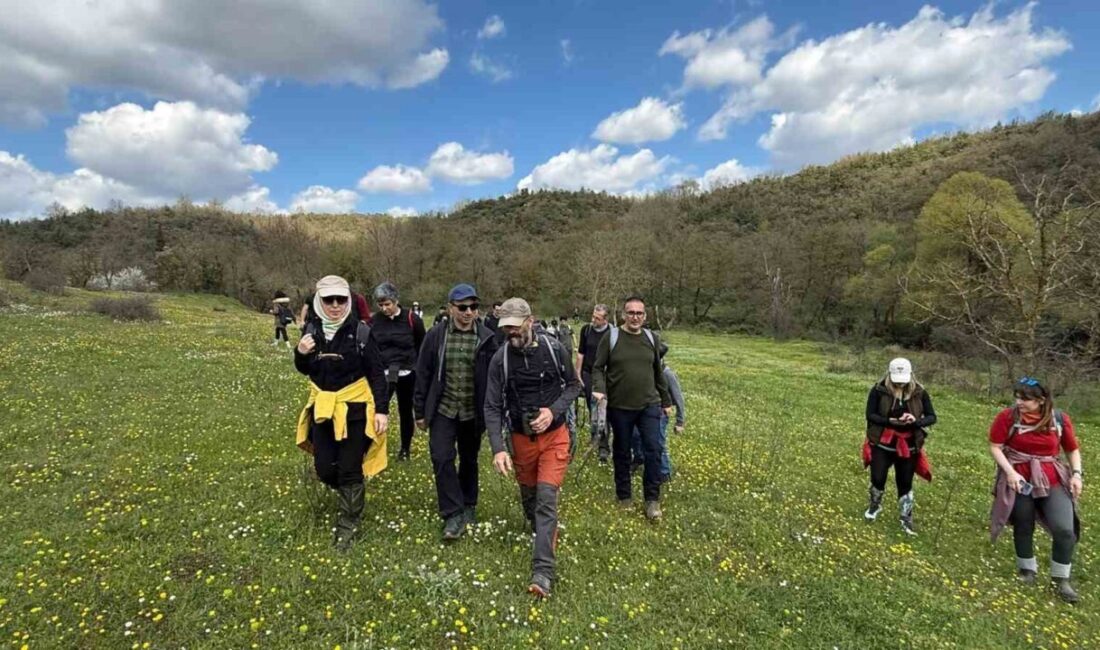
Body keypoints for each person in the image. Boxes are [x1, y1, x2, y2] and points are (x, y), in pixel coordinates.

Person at [485, 298, 582, 598]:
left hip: (555, 436)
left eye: (515, 326)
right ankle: (536, 525)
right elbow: (492, 405)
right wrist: (498, 449)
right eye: (506, 328)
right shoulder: (499, 359)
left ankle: (542, 573)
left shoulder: (555, 350)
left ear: (530, 321)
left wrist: (553, 411)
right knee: (529, 496)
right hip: (520, 439)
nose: (510, 333)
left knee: (546, 498)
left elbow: (574, 386)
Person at [293, 275, 389, 551]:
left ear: (349, 301)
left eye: (341, 299)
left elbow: (377, 374)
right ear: (319, 302)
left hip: (355, 410)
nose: (335, 305)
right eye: (329, 300)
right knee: (324, 467)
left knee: (349, 467)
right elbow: (306, 368)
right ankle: (351, 493)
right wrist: (301, 353)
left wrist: (381, 411)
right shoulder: (311, 330)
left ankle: (349, 523)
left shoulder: (361, 332)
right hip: (323, 410)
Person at [414, 283, 500, 541]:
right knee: (441, 457)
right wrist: (420, 410)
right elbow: (423, 373)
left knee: (470, 458)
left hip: (473, 410)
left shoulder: (487, 337)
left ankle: (469, 504)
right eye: (462, 307)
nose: (468, 312)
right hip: (443, 408)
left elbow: (495, 378)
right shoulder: (436, 336)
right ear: (451, 308)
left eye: (473, 307)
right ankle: (452, 512)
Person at [990, 377, 1083, 603]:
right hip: (1019, 478)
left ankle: (1060, 581)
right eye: (1017, 397)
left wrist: (1077, 474)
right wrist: (1010, 473)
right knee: (1023, 523)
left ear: (1041, 400)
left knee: (1065, 529)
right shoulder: (1007, 417)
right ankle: (1027, 571)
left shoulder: (1059, 420)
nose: (1019, 402)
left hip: (1052, 478)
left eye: (1026, 399)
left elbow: (1072, 449)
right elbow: (995, 446)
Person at [591, 296, 673, 521]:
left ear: (645, 316)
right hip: (620, 406)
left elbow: (658, 372)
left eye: (639, 313)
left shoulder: (651, 338)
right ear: (623, 315)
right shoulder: (612, 337)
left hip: (649, 404)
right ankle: (624, 496)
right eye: (631, 312)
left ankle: (652, 500)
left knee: (654, 450)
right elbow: (597, 368)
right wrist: (599, 388)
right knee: (622, 451)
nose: (635, 317)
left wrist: (666, 401)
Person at [861, 358, 936, 536]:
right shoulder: (878, 390)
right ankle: (874, 505)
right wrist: (889, 421)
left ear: (910, 376)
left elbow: (932, 417)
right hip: (883, 442)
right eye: (896, 380)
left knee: (905, 482)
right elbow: (870, 415)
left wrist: (916, 421)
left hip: (908, 444)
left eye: (903, 380)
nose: (900, 383)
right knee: (878, 477)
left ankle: (905, 518)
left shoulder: (920, 392)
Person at [370, 282, 426, 461]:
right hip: (384, 373)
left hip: (407, 372)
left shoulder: (412, 319)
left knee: (405, 411)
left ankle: (405, 449)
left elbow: (421, 345)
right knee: (378, 409)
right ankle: (374, 448)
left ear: (396, 301)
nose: (385, 308)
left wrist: (417, 367)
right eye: (381, 305)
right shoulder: (375, 321)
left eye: (388, 304)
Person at [577, 305, 612, 461]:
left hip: (605, 376)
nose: (593, 320)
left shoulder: (613, 333)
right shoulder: (586, 330)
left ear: (605, 319)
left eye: (597, 318)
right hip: (588, 373)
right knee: (593, 409)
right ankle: (595, 436)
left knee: (603, 411)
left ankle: (604, 447)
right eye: (593, 316)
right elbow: (580, 353)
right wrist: (577, 374)